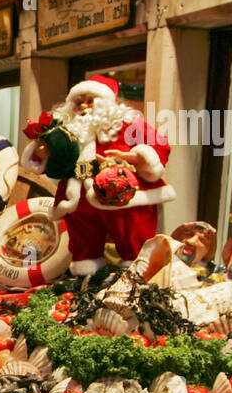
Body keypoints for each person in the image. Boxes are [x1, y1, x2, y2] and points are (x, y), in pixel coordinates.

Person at [21, 75, 174, 275]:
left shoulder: (128, 124)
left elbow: (160, 145)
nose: (84, 106)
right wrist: (41, 153)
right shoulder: (65, 129)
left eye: (90, 100)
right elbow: (45, 159)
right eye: (78, 102)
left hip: (118, 191)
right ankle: (86, 276)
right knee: (83, 239)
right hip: (78, 194)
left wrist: (134, 156)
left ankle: (136, 275)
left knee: (131, 232)